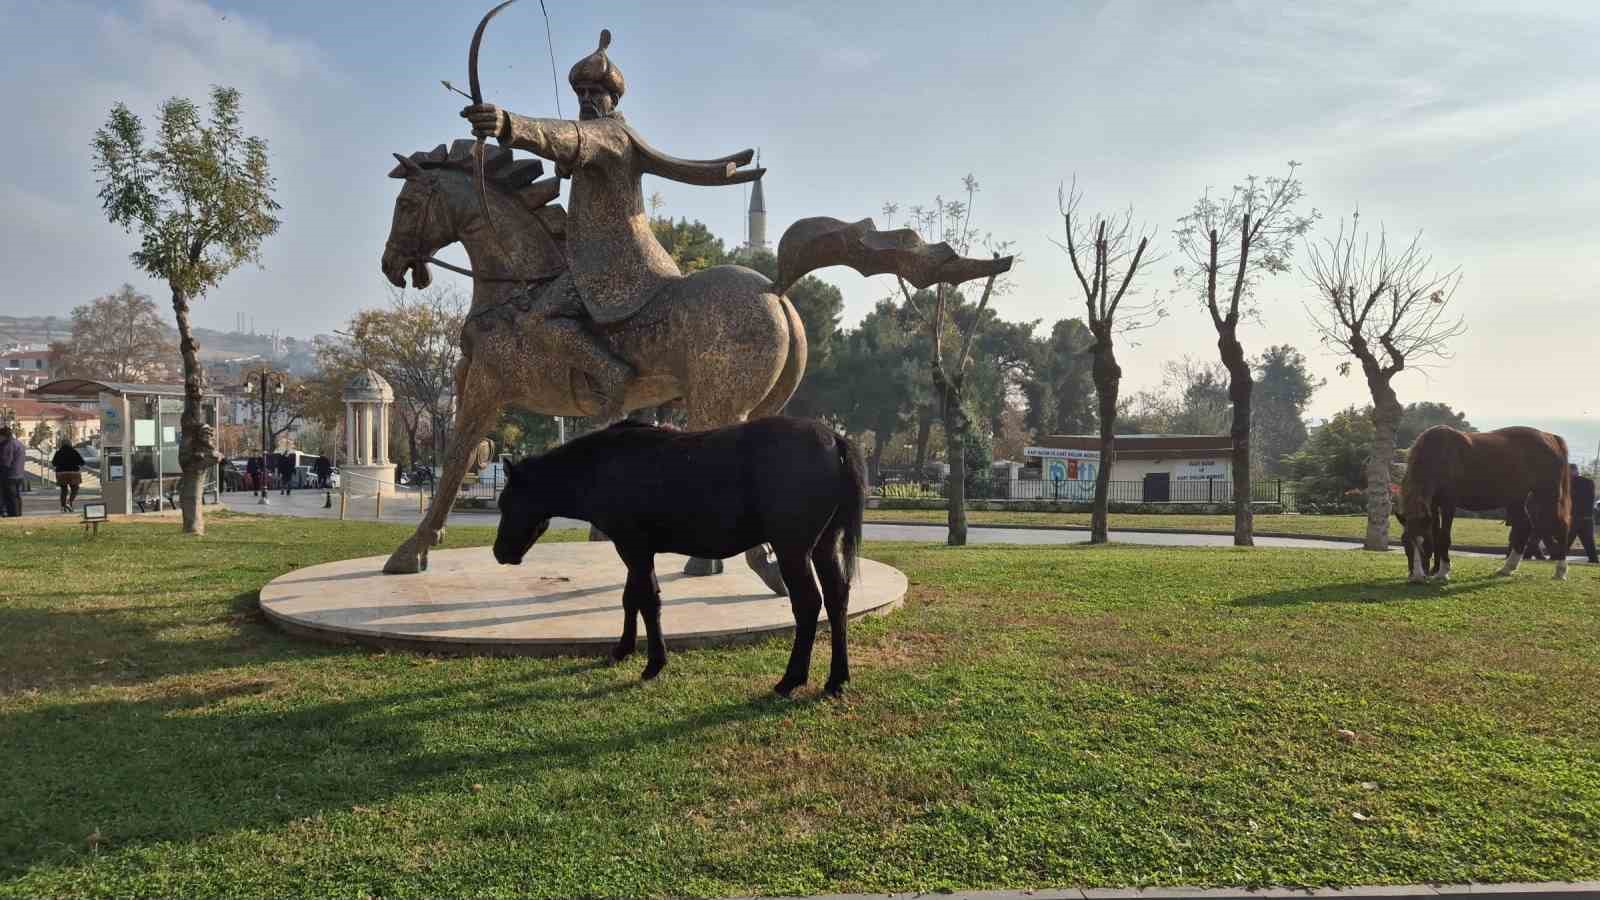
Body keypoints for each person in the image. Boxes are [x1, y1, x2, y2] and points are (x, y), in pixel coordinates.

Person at [462, 29, 762, 420]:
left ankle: (609, 373)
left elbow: (564, 136)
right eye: (580, 92)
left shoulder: (609, 134)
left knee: (540, 319)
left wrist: (507, 124)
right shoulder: (609, 136)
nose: (585, 99)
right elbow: (569, 146)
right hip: (619, 264)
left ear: (613, 99)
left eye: (594, 93)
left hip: (615, 268)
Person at [1567, 464, 1598, 564]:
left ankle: (1558, 559)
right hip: (1587, 518)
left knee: (1566, 542)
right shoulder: (1589, 482)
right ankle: (1594, 560)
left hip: (1574, 518)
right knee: (1589, 544)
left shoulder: (1570, 483)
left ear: (1572, 471)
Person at [51, 438, 85, 513]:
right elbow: (82, 462)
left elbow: (54, 463)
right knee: (75, 488)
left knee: (64, 490)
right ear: (70, 444)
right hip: (73, 472)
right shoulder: (74, 452)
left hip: (61, 473)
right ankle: (69, 502)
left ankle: (63, 507)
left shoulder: (58, 452)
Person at [0, 426, 24, 517]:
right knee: (17, 496)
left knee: (10, 497)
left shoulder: (8, 445)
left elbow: (5, 462)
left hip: (9, 475)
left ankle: (13, 514)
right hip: (19, 474)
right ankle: (18, 514)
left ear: (3, 436)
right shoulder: (18, 443)